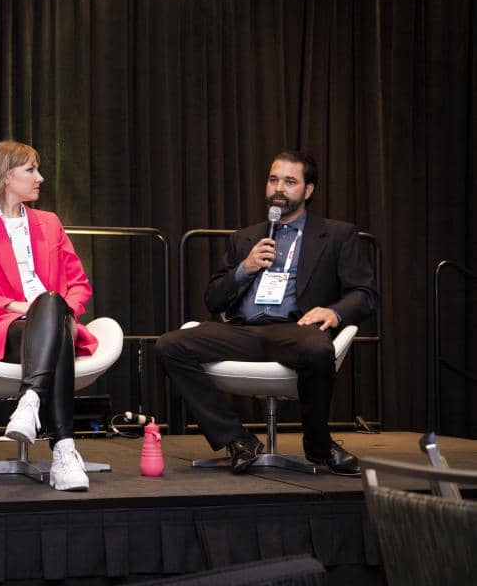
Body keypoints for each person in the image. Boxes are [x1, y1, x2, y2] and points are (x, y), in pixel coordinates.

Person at [155, 150, 377, 476]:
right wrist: (244, 268)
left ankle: (319, 445)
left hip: (294, 328)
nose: (279, 189)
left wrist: (334, 313)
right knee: (169, 346)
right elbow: (213, 300)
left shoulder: (337, 234)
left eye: (290, 182)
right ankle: (238, 439)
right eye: (274, 180)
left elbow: (365, 293)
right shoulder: (245, 237)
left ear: (308, 190)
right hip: (242, 330)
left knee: (318, 348)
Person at [0, 140, 99, 491]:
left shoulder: (50, 222)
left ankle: (31, 401)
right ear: (3, 177)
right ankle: (63, 448)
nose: (40, 178)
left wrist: (63, 310)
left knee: (51, 303)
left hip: (57, 322)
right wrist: (13, 306)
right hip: (5, 328)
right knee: (48, 312)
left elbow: (79, 285)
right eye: (30, 170)